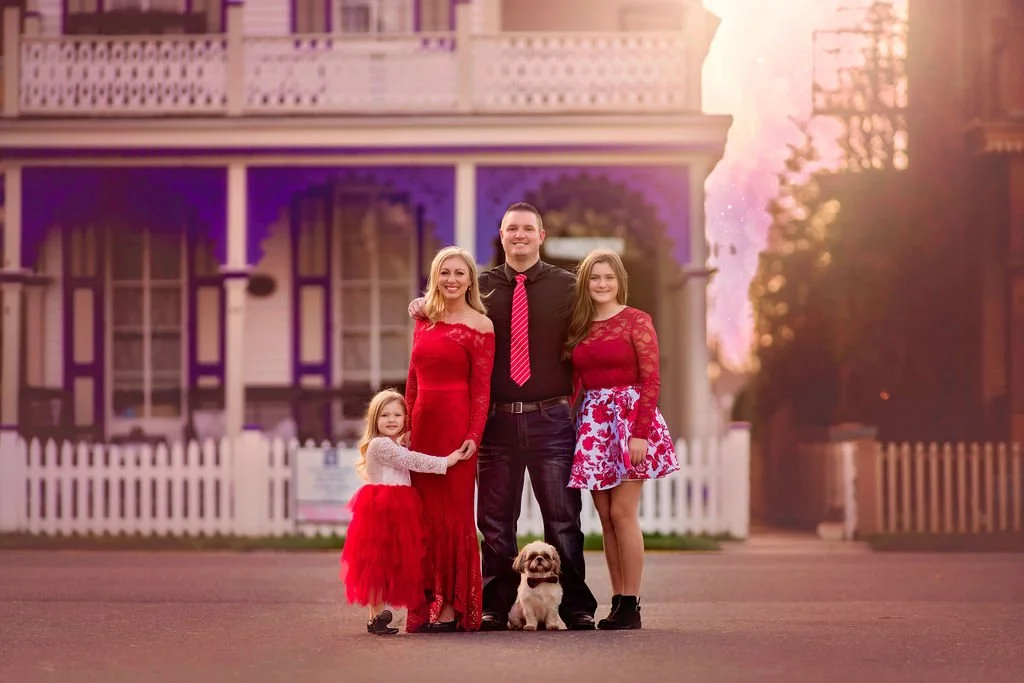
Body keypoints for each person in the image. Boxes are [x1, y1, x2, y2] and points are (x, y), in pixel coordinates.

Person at [409, 202, 598, 631]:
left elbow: (591, 332)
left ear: (541, 235)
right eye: (511, 229)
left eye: (527, 229)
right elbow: (449, 306)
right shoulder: (484, 288)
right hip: (495, 420)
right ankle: (495, 604)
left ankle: (573, 606)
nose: (519, 236)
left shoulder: (567, 287)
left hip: (550, 417)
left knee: (563, 518)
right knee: (494, 521)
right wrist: (422, 304)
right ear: (501, 235)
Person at [565, 249, 679, 630]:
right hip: (593, 423)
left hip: (629, 421)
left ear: (619, 282)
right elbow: (575, 381)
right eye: (594, 277)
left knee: (621, 513)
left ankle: (632, 602)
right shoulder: (578, 325)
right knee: (605, 518)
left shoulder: (636, 321)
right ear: (585, 282)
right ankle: (617, 601)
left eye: (608, 277)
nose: (601, 284)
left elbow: (652, 379)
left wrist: (640, 433)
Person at [405, 246, 495, 633]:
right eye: (445, 273)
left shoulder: (481, 326)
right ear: (435, 276)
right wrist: (405, 425)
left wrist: (474, 434)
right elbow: (411, 376)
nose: (452, 280)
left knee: (455, 515)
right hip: (422, 426)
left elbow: (481, 388)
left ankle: (451, 607)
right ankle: (424, 602)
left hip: (457, 428)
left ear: (471, 279)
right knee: (422, 516)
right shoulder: (423, 319)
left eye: (460, 273)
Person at [340, 389, 471, 636]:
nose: (391, 420)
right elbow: (413, 461)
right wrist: (447, 461)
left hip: (399, 507)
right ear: (374, 420)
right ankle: (376, 615)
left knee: (389, 563)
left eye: (398, 415)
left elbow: (405, 455)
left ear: (405, 419)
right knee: (379, 564)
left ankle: (375, 617)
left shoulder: (392, 444)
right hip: (384, 509)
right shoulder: (380, 445)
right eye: (385, 415)